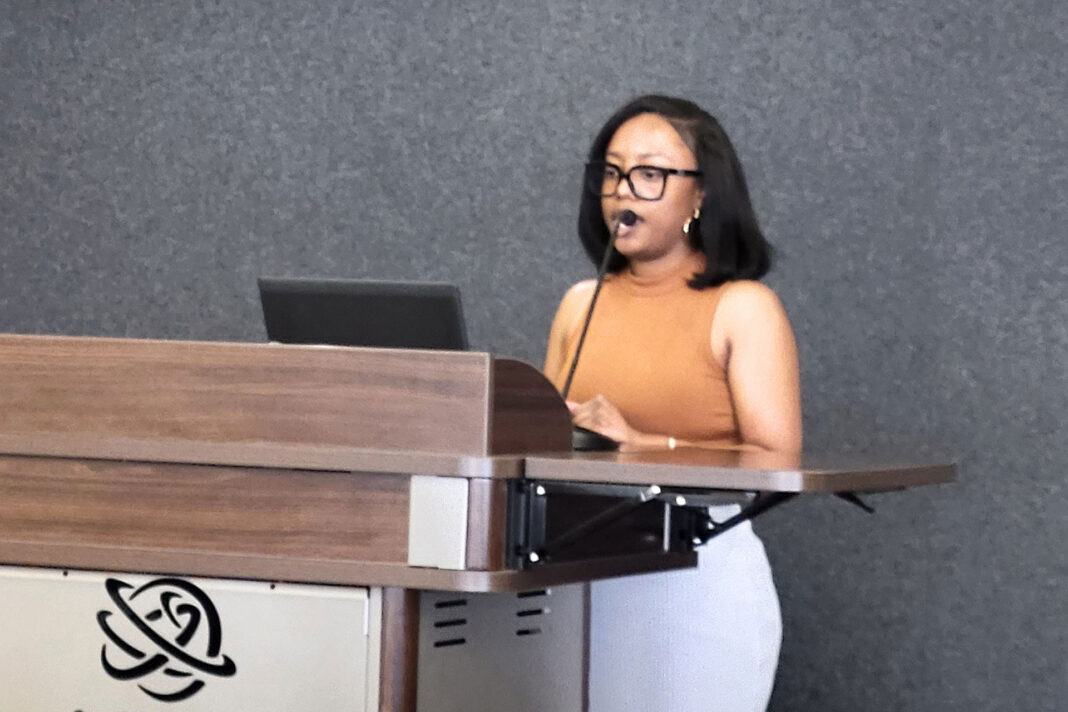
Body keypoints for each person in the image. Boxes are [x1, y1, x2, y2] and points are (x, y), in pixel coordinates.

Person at [543, 95, 802, 711]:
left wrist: (644, 446)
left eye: (649, 175)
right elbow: (541, 446)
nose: (622, 192)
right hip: (575, 583)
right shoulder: (580, 304)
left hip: (697, 588)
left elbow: (778, 461)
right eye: (611, 173)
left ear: (701, 194)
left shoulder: (743, 307)